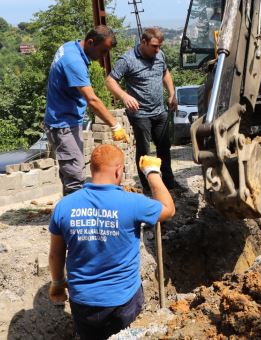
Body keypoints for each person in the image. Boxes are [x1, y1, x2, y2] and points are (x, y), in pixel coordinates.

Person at [48, 144, 175, 339]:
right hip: (123, 302)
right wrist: (152, 172)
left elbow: (56, 253)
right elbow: (168, 208)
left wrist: (57, 283)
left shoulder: (64, 206)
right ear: (118, 170)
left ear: (92, 169)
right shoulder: (133, 202)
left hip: (83, 302)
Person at [44, 26, 130, 196]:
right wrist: (115, 125)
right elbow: (92, 100)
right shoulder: (73, 61)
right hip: (62, 124)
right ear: (91, 42)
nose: (104, 57)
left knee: (71, 170)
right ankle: (75, 217)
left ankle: (69, 210)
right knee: (75, 175)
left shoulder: (70, 47)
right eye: (103, 51)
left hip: (67, 120)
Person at [105, 27, 180, 192]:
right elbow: (110, 81)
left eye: (159, 46)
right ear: (143, 42)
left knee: (164, 147)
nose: (157, 50)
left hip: (159, 111)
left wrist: (171, 93)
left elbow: (165, 73)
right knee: (145, 151)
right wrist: (125, 96)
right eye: (154, 46)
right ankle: (148, 187)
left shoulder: (159, 55)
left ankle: (169, 183)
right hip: (140, 114)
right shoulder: (128, 59)